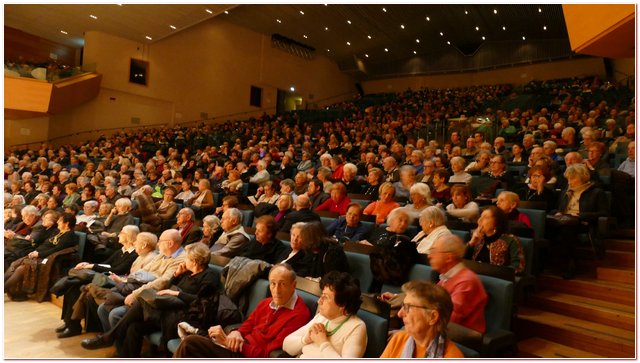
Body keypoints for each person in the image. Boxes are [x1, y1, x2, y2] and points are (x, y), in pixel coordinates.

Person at [174, 264, 311, 358]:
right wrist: (236, 333)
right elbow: (247, 324)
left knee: (190, 344)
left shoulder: (299, 314)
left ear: (294, 285)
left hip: (245, 355)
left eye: (282, 284)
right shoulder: (266, 303)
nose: (276, 290)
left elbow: (267, 355)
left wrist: (229, 343)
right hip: (237, 347)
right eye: (273, 284)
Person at [55, 225, 140, 338]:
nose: (118, 234)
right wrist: (87, 264)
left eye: (122, 232)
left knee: (77, 286)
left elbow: (119, 270)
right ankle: (68, 322)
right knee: (73, 286)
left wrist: (92, 266)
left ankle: (74, 327)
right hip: (105, 277)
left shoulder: (134, 254)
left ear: (129, 236)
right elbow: (106, 263)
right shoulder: (121, 250)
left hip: (115, 281)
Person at [283, 271, 367, 358]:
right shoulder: (323, 317)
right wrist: (306, 339)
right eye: (321, 295)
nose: (319, 301)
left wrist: (323, 343)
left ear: (342, 304)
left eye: (325, 297)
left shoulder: (357, 327)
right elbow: (286, 345)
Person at [548, 163, 609, 279]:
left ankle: (570, 264)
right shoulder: (566, 191)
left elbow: (604, 213)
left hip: (583, 222)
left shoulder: (596, 192)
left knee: (566, 230)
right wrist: (556, 212)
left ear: (583, 178)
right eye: (568, 178)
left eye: (572, 178)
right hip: (564, 220)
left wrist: (581, 215)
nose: (569, 181)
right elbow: (558, 208)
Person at [5, 212, 79, 300]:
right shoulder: (59, 233)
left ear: (66, 223)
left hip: (47, 259)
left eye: (60, 220)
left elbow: (56, 250)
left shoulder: (69, 235)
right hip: (38, 255)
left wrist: (38, 254)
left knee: (21, 269)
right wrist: (35, 252)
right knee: (14, 264)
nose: (58, 222)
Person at [380, 281, 463, 358]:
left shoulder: (453, 357)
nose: (400, 314)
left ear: (432, 317)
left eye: (407, 307)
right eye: (403, 306)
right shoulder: (399, 339)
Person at [466, 206, 526, 274]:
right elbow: (462, 261)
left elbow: (518, 267)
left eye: (485, 217)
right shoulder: (477, 238)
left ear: (496, 222)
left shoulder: (511, 240)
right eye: (480, 216)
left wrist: (493, 271)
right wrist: (471, 243)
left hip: (497, 280)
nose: (479, 220)